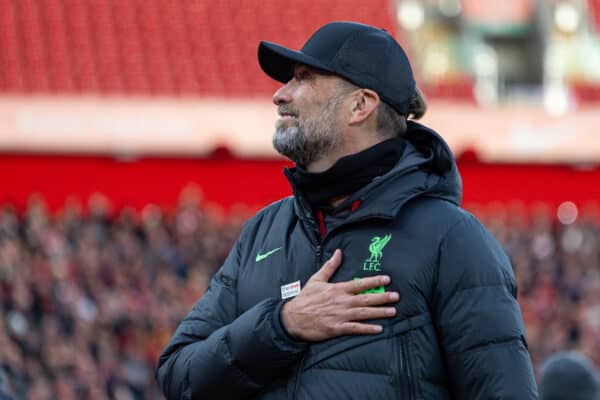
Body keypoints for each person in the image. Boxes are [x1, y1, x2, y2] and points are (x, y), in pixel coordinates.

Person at [156, 21, 538, 399]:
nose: (280, 95)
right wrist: (283, 323)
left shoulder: (451, 238)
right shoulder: (264, 231)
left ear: (360, 105)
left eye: (303, 78)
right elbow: (178, 374)